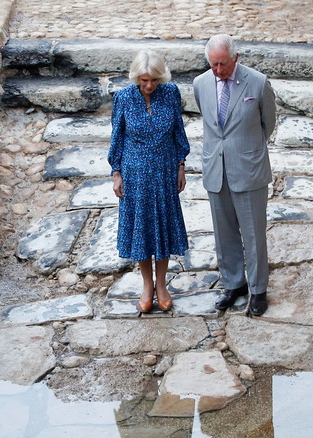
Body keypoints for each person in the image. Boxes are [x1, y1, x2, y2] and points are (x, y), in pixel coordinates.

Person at [192, 34, 277, 316]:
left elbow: (269, 123)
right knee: (223, 231)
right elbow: (209, 122)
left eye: (223, 64)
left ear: (236, 58)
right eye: (214, 65)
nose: (218, 70)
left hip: (249, 168)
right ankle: (233, 283)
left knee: (253, 234)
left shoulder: (258, 82)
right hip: (216, 169)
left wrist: (245, 149)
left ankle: (258, 289)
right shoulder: (200, 84)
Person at [108, 50, 191, 314]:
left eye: (154, 79)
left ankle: (162, 285)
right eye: (144, 80)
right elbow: (117, 137)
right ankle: (147, 286)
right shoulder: (123, 97)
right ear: (136, 78)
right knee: (142, 229)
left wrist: (181, 165)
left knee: (163, 226)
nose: (149, 85)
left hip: (165, 169)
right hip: (135, 173)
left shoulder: (170, 93)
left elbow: (178, 129)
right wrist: (116, 173)